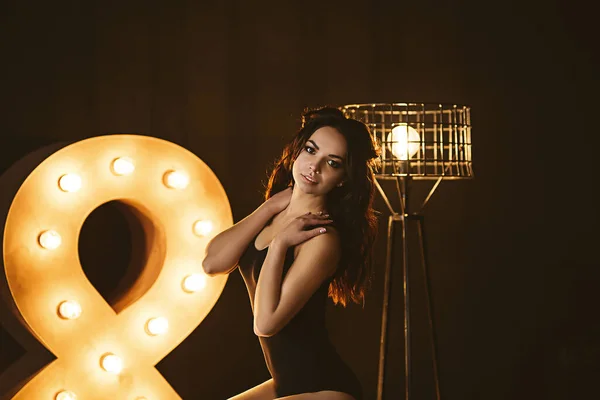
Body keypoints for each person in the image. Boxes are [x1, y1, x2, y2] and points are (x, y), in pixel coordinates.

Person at [202, 106, 380, 400]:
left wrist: (281, 245)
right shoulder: (276, 213)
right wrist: (271, 206)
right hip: (285, 385)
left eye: (332, 163)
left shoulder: (322, 238)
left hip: (326, 389)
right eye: (311, 150)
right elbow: (212, 263)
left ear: (344, 179)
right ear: (297, 151)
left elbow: (266, 324)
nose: (315, 166)